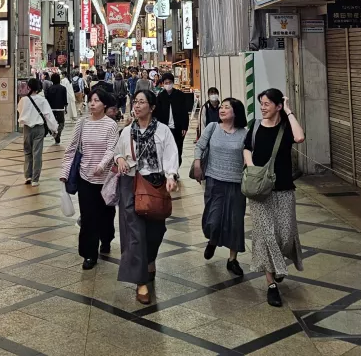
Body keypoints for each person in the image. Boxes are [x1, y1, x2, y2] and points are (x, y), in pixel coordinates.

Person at [113, 90, 179, 304]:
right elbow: (118, 152)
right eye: (135, 102)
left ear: (152, 107)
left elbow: (171, 154)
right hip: (131, 185)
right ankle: (141, 282)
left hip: (155, 186)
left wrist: (171, 176)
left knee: (156, 231)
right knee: (135, 234)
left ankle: (150, 259)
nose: (137, 106)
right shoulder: (127, 131)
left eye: (142, 102)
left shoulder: (162, 131)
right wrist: (120, 159)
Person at [243, 88, 306, 307]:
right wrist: (252, 168)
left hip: (284, 188)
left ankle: (278, 266)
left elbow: (300, 137)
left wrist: (288, 111)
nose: (263, 107)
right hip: (260, 192)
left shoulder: (286, 127)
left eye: (267, 103)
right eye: (261, 103)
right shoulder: (255, 126)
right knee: (266, 235)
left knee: (286, 235)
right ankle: (271, 284)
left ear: (278, 106)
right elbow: (246, 148)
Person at [60, 89, 119, 270]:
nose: (92, 104)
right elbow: (71, 149)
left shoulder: (110, 125)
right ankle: (89, 254)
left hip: (106, 179)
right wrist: (64, 173)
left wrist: (102, 165)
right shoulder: (82, 123)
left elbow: (111, 149)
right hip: (85, 176)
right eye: (91, 100)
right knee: (88, 217)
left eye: (97, 100)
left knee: (106, 215)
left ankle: (106, 238)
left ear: (105, 105)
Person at [192, 97, 248, 276]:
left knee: (235, 223)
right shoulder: (212, 128)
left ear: (235, 112)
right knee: (212, 220)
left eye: (227, 107)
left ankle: (233, 259)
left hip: (236, 184)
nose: (222, 110)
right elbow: (200, 146)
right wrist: (197, 164)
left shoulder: (244, 133)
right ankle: (213, 240)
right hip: (214, 180)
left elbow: (249, 157)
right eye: (221, 107)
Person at [17, 78, 58, 185]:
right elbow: (48, 116)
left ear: (28, 87)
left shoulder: (23, 100)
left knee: (27, 152)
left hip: (26, 128)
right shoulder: (42, 100)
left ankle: (28, 176)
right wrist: (54, 129)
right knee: (37, 153)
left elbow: (19, 111)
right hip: (39, 129)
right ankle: (35, 179)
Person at [154, 72, 190, 168]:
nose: (168, 84)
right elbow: (157, 113)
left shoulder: (180, 95)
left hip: (178, 128)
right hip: (165, 128)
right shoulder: (160, 97)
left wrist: (184, 126)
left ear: (173, 83)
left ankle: (176, 169)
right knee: (166, 150)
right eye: (166, 82)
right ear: (162, 84)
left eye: (170, 82)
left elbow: (184, 112)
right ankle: (168, 169)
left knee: (178, 150)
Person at [45, 74, 69, 144]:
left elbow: (47, 99)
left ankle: (54, 134)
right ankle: (58, 134)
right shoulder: (63, 88)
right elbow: (65, 100)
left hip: (51, 109)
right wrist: (66, 108)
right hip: (60, 109)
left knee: (52, 123)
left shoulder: (49, 89)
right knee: (61, 123)